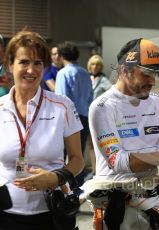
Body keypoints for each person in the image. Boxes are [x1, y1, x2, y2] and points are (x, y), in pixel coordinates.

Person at [86, 38, 159, 229]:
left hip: (152, 198)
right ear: (125, 70)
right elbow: (117, 161)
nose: (152, 80)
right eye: (146, 73)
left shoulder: (156, 101)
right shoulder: (102, 107)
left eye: (155, 74)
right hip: (114, 203)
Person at [0, 30, 84, 230]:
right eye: (24, 62)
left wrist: (55, 177)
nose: (31, 70)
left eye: (38, 63)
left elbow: (78, 160)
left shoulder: (62, 106)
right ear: (10, 65)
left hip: (51, 213)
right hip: (5, 213)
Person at [55, 41, 93, 187]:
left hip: (67, 120)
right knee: (78, 156)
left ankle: (62, 191)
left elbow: (62, 100)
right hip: (84, 117)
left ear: (61, 56)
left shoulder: (62, 73)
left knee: (61, 157)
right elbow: (91, 96)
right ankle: (77, 190)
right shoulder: (85, 73)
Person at [86, 54, 112, 175]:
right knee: (90, 144)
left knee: (100, 143)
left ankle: (103, 169)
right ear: (89, 66)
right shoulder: (86, 78)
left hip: (99, 116)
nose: (95, 66)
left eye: (97, 64)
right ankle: (94, 170)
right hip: (86, 115)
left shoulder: (103, 79)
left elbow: (111, 94)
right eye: (93, 64)